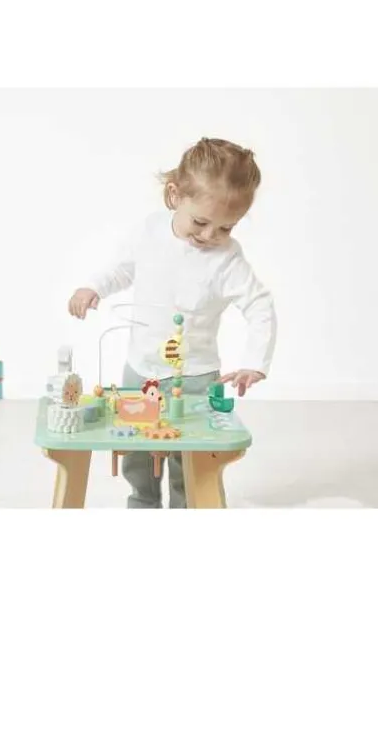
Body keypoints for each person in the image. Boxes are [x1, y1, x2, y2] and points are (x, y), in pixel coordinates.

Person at [68, 137, 276, 508]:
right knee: (136, 450)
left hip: (195, 377)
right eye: (201, 222)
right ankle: (143, 502)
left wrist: (254, 362)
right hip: (140, 371)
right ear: (175, 195)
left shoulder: (227, 259)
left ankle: (187, 507)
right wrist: (93, 287)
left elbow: (259, 305)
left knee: (190, 456)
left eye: (226, 228)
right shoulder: (149, 231)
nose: (210, 236)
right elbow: (123, 268)